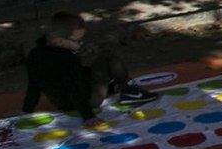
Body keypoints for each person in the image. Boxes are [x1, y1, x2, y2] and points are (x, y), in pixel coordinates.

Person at [22, 11, 155, 119]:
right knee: (108, 58)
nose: (79, 44)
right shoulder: (66, 58)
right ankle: (129, 91)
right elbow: (74, 87)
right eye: (76, 40)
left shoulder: (34, 53)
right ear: (59, 40)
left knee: (96, 68)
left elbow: (33, 83)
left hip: (62, 103)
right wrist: (88, 117)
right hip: (86, 101)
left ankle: (116, 86)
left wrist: (27, 109)